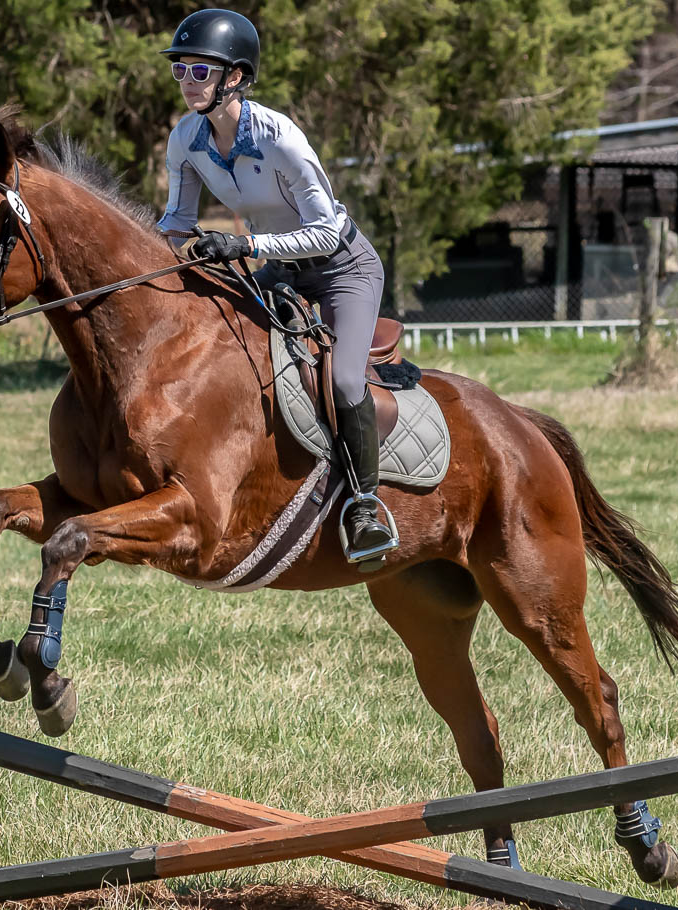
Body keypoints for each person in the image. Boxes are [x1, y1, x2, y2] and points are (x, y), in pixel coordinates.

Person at [154, 8, 396, 562]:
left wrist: (245, 246)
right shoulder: (186, 140)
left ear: (233, 78)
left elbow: (328, 231)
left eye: (199, 71)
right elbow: (175, 223)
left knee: (343, 380)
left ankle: (364, 508)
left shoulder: (281, 138)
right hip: (283, 270)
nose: (187, 82)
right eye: (181, 71)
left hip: (342, 268)